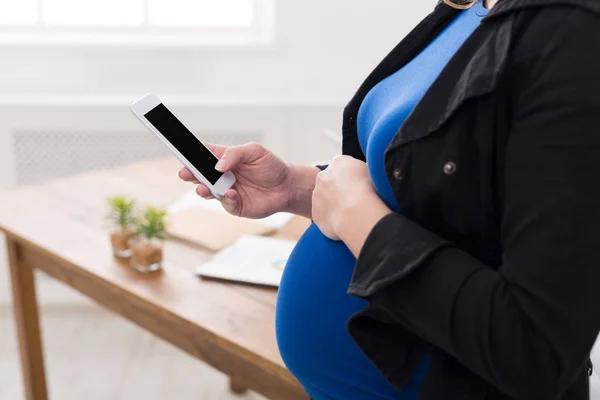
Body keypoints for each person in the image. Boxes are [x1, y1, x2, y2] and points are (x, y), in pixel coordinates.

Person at [179, 0, 600, 398]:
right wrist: (298, 188)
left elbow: (532, 348)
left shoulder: (576, 37)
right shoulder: (472, 7)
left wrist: (352, 214)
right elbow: (438, 199)